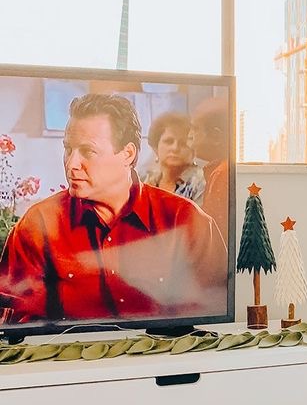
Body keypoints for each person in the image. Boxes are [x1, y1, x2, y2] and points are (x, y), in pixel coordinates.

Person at [0, 93, 227, 324]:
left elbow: (214, 318)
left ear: (128, 154)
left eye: (88, 151)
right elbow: (18, 325)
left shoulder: (186, 220)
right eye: (68, 149)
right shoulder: (38, 224)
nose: (71, 164)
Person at [189, 97, 229, 247]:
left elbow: (215, 238)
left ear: (216, 137)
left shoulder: (221, 174)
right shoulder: (219, 170)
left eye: (195, 129)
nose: (190, 135)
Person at [143, 111, 205, 203]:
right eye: (168, 141)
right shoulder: (148, 181)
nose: (175, 148)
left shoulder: (201, 182)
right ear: (156, 146)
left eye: (183, 143)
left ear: (193, 149)